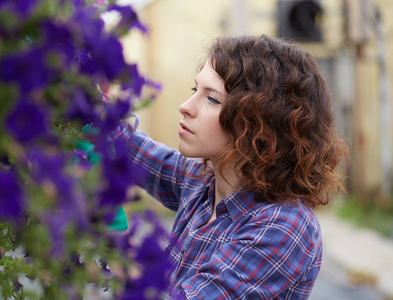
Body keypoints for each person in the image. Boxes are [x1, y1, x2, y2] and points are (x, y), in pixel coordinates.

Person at [114, 35, 348, 299]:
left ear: (262, 125)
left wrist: (111, 234)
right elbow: (139, 154)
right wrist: (93, 109)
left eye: (212, 99)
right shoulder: (205, 181)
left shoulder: (282, 227)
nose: (185, 107)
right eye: (195, 91)